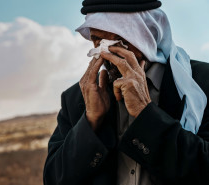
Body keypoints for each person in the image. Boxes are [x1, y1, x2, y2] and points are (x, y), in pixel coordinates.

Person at [43, 0, 209, 185]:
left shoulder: (202, 82)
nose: (108, 51)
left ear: (148, 33)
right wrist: (90, 121)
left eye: (120, 40)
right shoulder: (77, 98)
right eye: (98, 40)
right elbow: (54, 179)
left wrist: (145, 113)